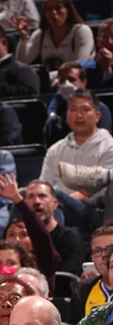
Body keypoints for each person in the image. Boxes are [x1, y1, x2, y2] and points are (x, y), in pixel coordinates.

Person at [41, 88, 113, 235]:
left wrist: (61, 199)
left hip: (90, 212)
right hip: (55, 206)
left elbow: (104, 191)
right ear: (67, 115)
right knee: (24, 195)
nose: (79, 115)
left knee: (56, 198)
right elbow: (44, 184)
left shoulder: (109, 146)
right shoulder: (55, 150)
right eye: (73, 109)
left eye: (85, 109)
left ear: (98, 116)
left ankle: (54, 244)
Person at [16, 0, 94, 72]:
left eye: (58, 8)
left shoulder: (81, 32)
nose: (54, 12)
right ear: (45, 13)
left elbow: (78, 67)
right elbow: (22, 61)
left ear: (67, 10)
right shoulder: (41, 34)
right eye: (49, 9)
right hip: (49, 83)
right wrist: (24, 37)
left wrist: (49, 77)